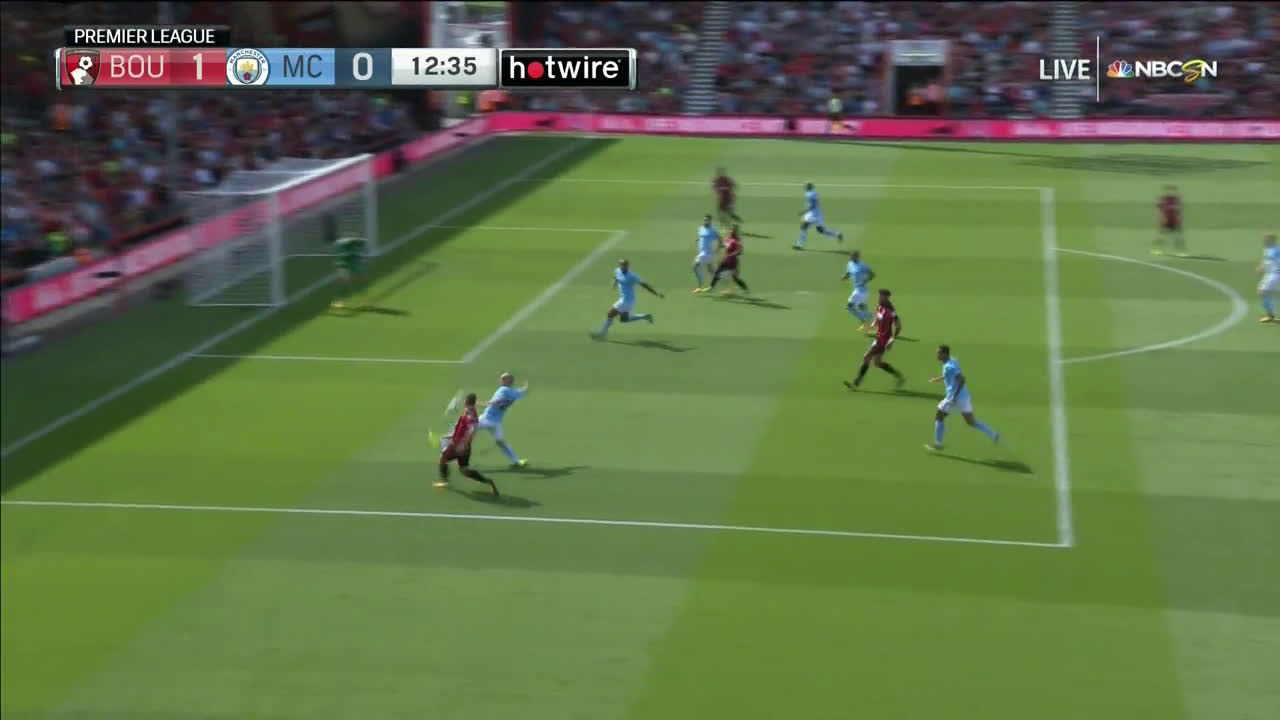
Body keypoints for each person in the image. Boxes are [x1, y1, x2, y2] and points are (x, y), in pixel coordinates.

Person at [925, 345, 1000, 451]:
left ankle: (938, 444)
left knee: (939, 416)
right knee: (971, 421)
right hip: (964, 397)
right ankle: (993, 434)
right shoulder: (952, 361)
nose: (937, 355)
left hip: (954, 397)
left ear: (945, 354)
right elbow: (950, 375)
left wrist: (954, 397)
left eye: (939, 353)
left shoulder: (949, 366)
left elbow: (962, 379)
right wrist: (937, 379)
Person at [433, 393, 500, 496]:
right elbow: (464, 428)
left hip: (458, 446)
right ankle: (488, 481)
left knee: (443, 458)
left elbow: (472, 429)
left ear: (466, 401)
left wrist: (463, 444)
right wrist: (451, 435)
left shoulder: (469, 413)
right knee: (464, 470)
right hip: (463, 446)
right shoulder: (470, 411)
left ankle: (445, 481)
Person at [845, 289, 905, 390]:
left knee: (867, 357)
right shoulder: (880, 306)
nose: (879, 298)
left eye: (881, 296)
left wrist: (892, 339)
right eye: (879, 296)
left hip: (884, 339)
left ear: (887, 298)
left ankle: (856, 383)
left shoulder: (891, 310)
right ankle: (899, 377)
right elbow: (878, 317)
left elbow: (898, 325)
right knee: (878, 362)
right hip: (879, 337)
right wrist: (873, 324)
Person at [593, 259, 664, 339]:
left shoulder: (632, 276)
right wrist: (614, 284)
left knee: (610, 313)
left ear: (628, 266)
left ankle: (602, 333)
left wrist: (656, 293)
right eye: (622, 265)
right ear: (619, 265)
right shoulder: (617, 270)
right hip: (626, 300)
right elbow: (615, 276)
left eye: (625, 265)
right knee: (624, 320)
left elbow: (645, 285)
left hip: (627, 300)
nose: (624, 266)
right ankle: (645, 316)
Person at [478, 373, 529, 469]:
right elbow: (523, 391)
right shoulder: (514, 392)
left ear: (508, 381)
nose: (500, 380)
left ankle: (516, 461)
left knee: (464, 431)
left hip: (487, 420)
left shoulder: (503, 390)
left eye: (502, 379)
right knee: (500, 442)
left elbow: (496, 403)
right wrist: (525, 385)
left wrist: (478, 404)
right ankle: (516, 461)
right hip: (494, 422)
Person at [703, 224, 749, 296]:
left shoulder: (737, 240)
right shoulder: (728, 238)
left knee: (735, 278)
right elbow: (724, 245)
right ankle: (711, 288)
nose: (731, 231)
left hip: (732, 262)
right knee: (717, 272)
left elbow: (740, 251)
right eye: (731, 229)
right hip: (725, 260)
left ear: (736, 231)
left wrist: (732, 254)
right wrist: (718, 247)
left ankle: (745, 289)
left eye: (733, 230)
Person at [795, 183, 843, 250]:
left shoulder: (809, 194)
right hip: (819, 213)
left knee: (804, 227)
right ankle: (837, 234)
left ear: (808, 187)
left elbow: (812, 205)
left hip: (812, 214)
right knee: (821, 230)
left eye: (805, 186)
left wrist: (803, 211)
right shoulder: (814, 193)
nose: (804, 187)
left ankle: (799, 245)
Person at [842, 250, 875, 330]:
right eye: (850, 256)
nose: (851, 257)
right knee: (861, 306)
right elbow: (849, 272)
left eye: (853, 256)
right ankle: (871, 320)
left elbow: (872, 274)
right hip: (857, 289)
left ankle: (865, 320)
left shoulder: (862, 265)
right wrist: (845, 277)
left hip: (861, 290)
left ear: (857, 257)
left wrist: (864, 281)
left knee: (850, 307)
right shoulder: (850, 264)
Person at [692, 214, 721, 292]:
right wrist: (698, 239)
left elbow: (720, 239)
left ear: (710, 221)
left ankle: (700, 284)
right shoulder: (701, 228)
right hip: (704, 253)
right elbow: (702, 237)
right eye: (705, 220)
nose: (706, 221)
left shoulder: (713, 230)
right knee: (710, 270)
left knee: (694, 267)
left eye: (707, 220)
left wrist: (718, 248)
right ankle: (717, 280)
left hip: (706, 253)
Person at [1154, 185, 1184, 256]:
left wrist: (1179, 220)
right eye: (1168, 191)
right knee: (1163, 236)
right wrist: (1161, 219)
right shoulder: (1163, 199)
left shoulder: (1176, 200)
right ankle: (1159, 250)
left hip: (1174, 221)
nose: (1170, 192)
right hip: (1166, 221)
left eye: (1171, 191)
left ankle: (1181, 252)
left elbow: (1179, 211)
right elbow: (1159, 209)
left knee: (1177, 237)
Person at [1258, 233, 1279, 323]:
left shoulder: (1275, 251)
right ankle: (1270, 315)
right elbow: (1266, 261)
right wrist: (1261, 267)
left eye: (1266, 240)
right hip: (1270, 274)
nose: (1264, 242)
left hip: (1274, 274)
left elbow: (1269, 261)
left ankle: (1270, 316)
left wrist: (1262, 267)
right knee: (1265, 293)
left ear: (1271, 241)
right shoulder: (1268, 250)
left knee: (1263, 292)